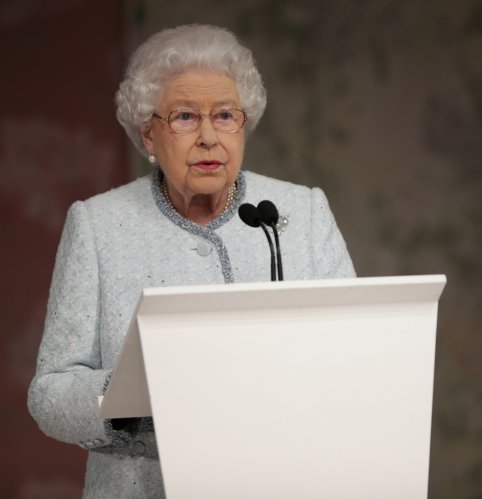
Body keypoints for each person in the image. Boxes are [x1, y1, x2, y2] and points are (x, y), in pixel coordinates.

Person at [27, 24, 355, 497]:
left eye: (224, 115)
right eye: (184, 117)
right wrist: (130, 398)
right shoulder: (98, 226)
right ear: (148, 136)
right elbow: (51, 393)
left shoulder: (300, 212)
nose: (207, 137)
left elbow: (353, 347)